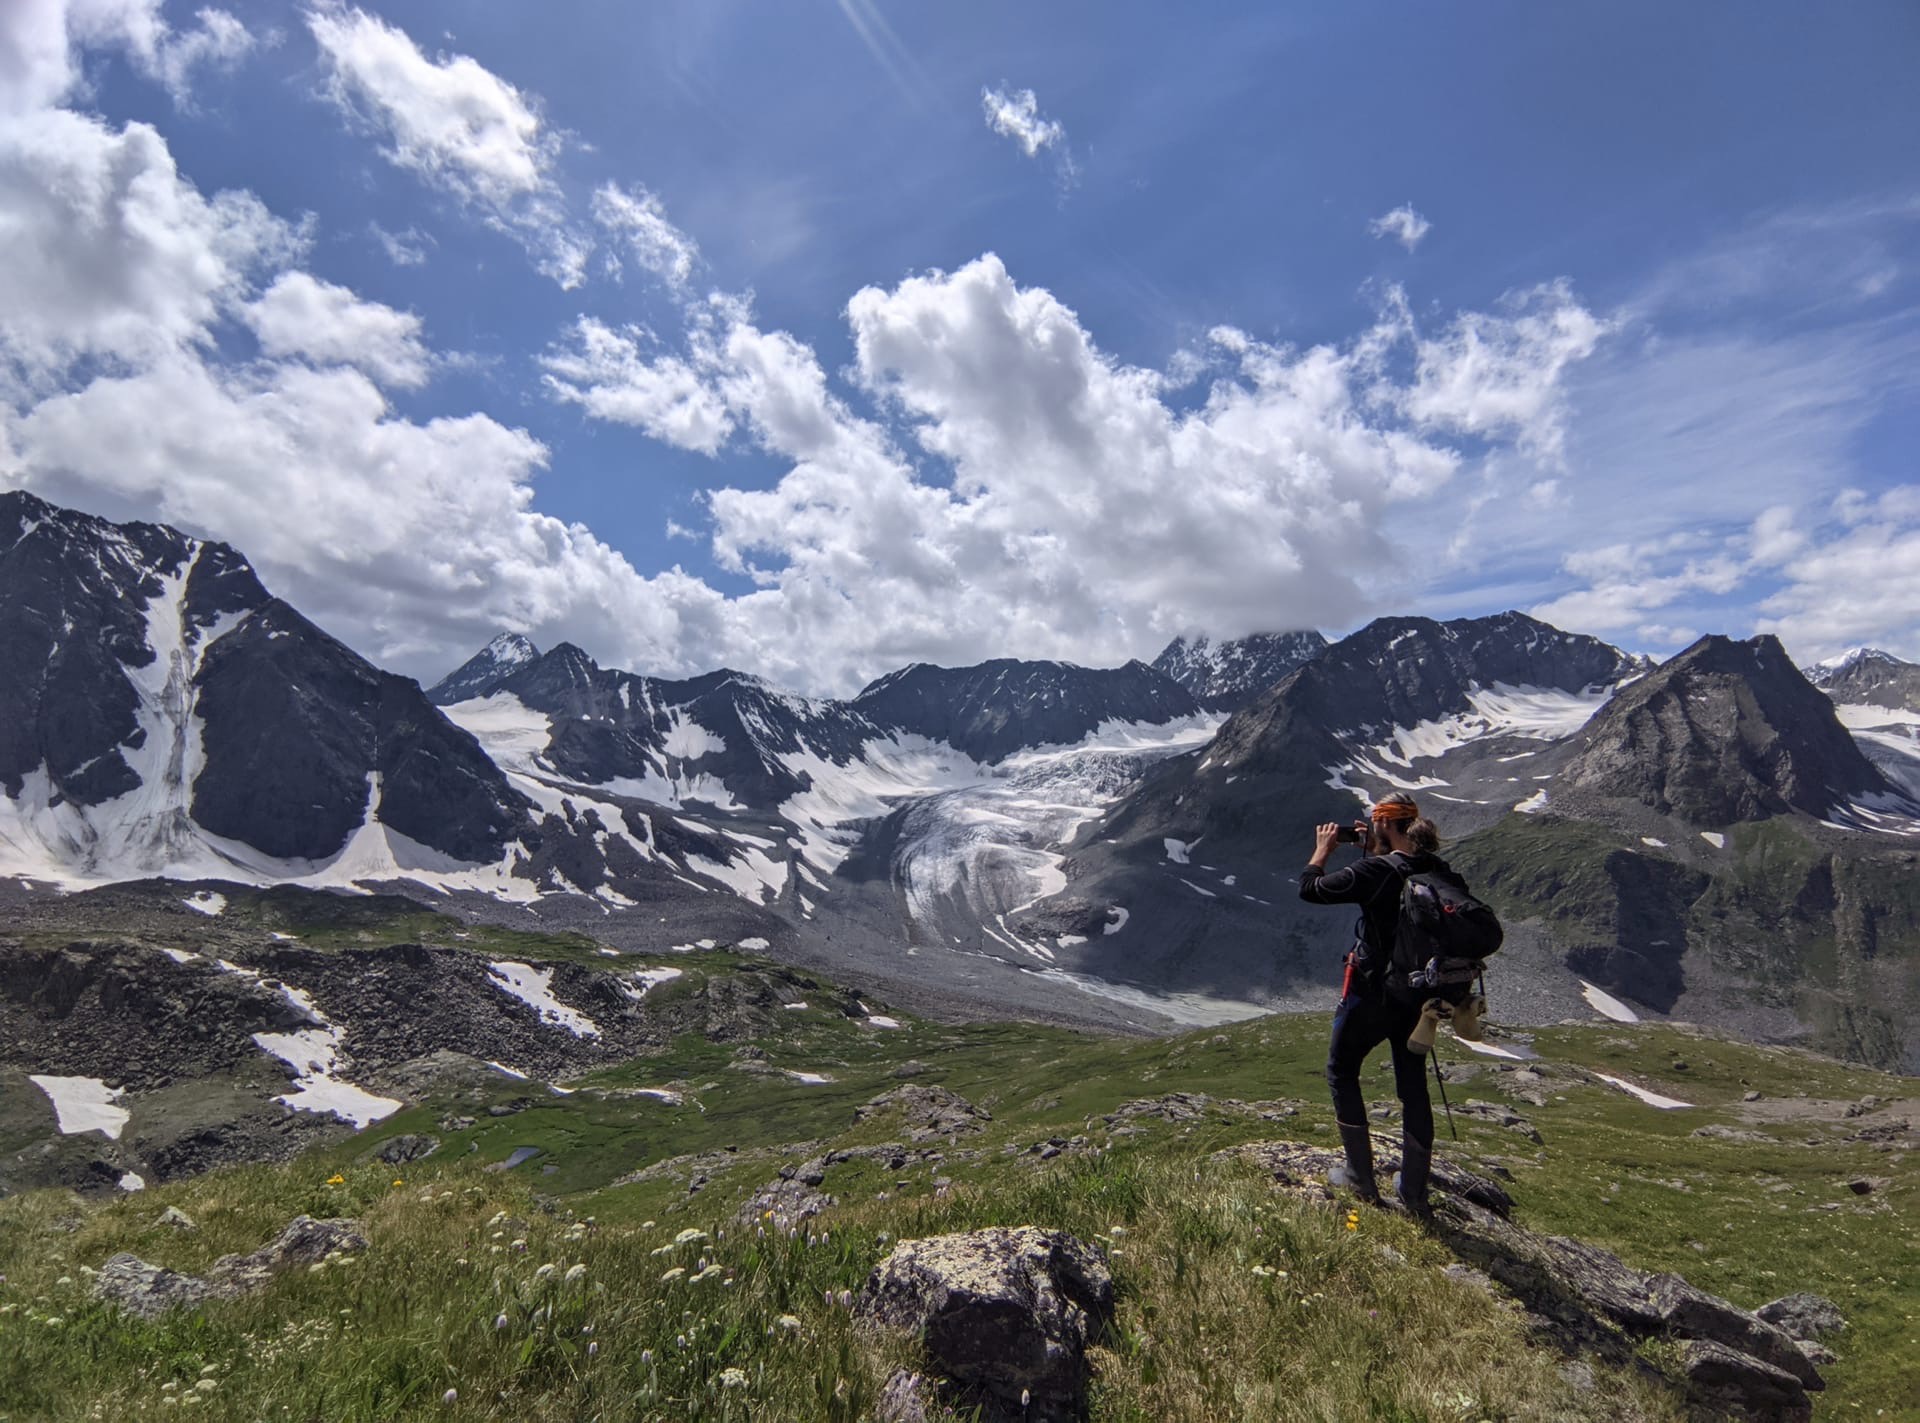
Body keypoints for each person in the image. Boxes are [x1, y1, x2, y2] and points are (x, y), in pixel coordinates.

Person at [1298, 791, 1447, 1217]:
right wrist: (1375, 848)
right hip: (1419, 998)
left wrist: (1323, 849)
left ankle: (1360, 1178)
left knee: (1342, 1069)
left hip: (1373, 992)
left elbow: (1311, 889)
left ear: (1383, 822)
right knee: (1412, 1087)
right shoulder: (1436, 869)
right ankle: (1414, 1194)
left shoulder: (1374, 870)